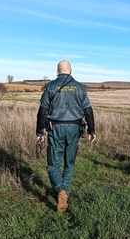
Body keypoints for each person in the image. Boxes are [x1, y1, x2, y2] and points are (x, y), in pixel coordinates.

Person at [36, 60, 96, 212]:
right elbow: (88, 111)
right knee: (69, 163)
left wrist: (40, 133)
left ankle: (60, 191)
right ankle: (65, 194)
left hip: (56, 128)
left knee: (52, 165)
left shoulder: (50, 87)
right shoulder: (81, 88)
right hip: (75, 128)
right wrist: (92, 131)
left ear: (57, 71)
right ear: (71, 71)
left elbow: (42, 112)